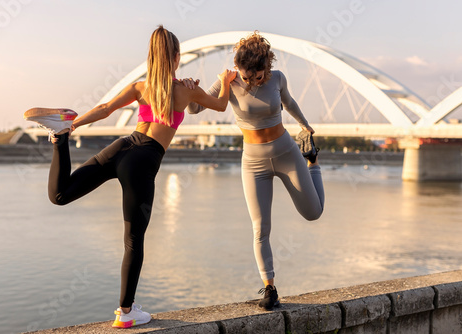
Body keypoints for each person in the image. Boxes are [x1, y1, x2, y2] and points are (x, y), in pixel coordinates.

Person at [24, 25, 236, 328]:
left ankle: (60, 136)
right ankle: (126, 312)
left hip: (122, 146)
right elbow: (220, 104)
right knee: (134, 240)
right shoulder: (185, 89)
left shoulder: (141, 87)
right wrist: (223, 80)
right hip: (143, 161)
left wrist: (75, 125)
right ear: (177, 57)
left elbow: (106, 108)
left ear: (151, 57)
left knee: (60, 195)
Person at [186, 31, 325, 310]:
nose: (252, 82)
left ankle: (312, 162)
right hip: (253, 162)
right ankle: (270, 287)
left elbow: (290, 103)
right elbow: (193, 109)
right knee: (260, 228)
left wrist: (306, 126)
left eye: (258, 76)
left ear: (267, 67)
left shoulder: (278, 79)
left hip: (287, 152)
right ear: (239, 68)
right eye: (247, 77)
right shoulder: (228, 80)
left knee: (313, 213)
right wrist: (191, 89)